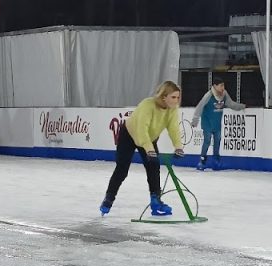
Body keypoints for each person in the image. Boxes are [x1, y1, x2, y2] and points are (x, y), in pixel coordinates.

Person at [100, 81, 184, 217]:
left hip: (148, 138)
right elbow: (141, 130)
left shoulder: (173, 109)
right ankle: (108, 199)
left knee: (154, 166)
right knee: (122, 169)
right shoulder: (148, 105)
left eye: (178, 97)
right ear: (163, 97)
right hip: (129, 134)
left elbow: (173, 128)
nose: (176, 100)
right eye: (173, 97)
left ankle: (156, 201)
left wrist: (178, 147)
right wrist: (149, 149)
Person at [190, 77, 245, 170]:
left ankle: (216, 161)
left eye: (223, 85)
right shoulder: (209, 95)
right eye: (221, 86)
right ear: (215, 86)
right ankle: (202, 161)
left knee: (217, 141)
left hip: (217, 124)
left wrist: (242, 106)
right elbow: (200, 106)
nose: (223, 88)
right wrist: (195, 120)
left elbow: (231, 104)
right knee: (207, 141)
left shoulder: (224, 94)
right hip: (207, 123)